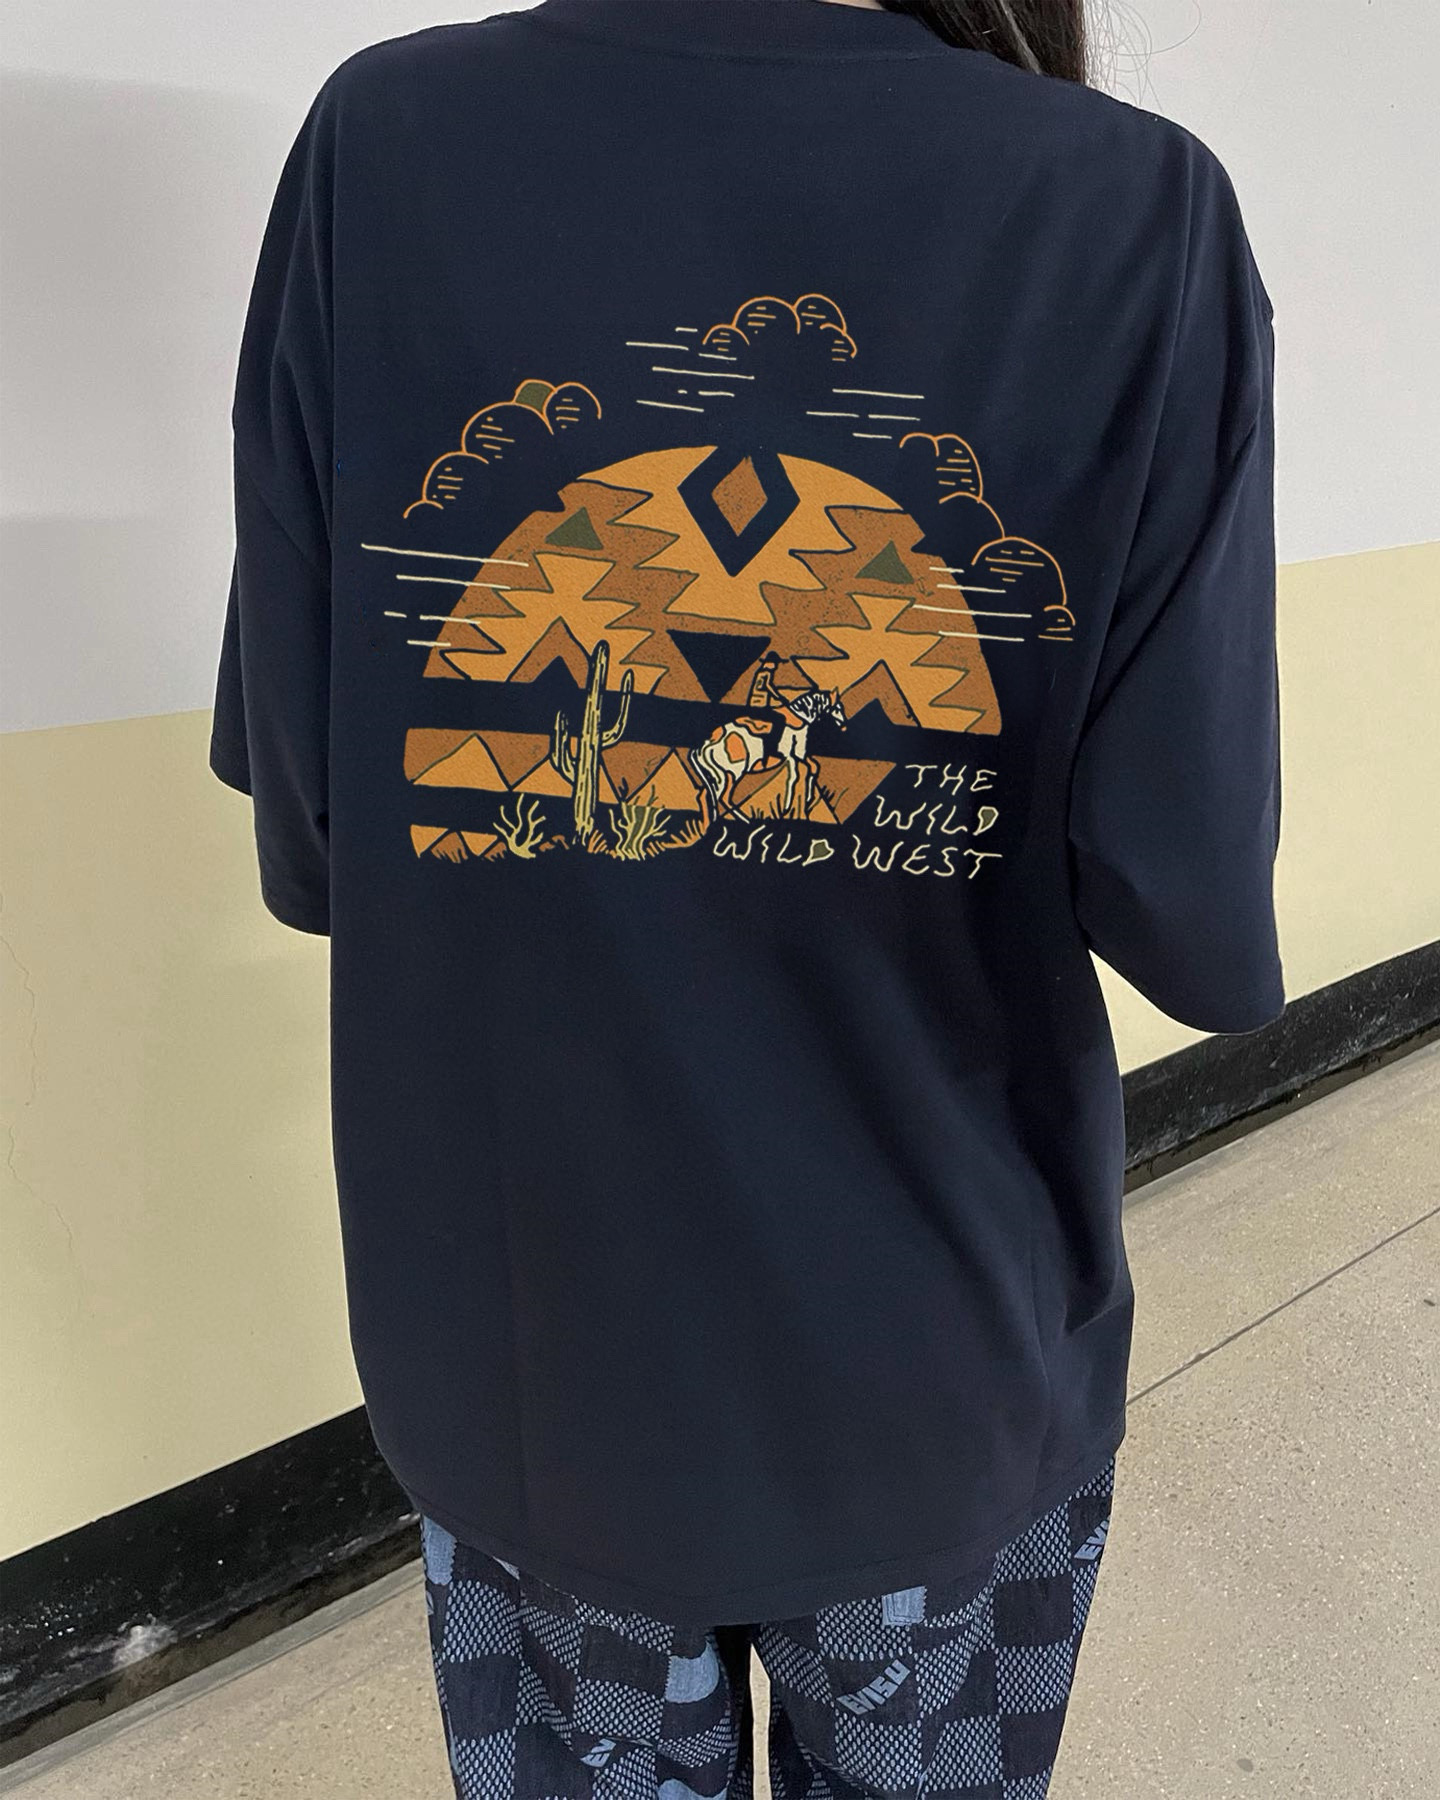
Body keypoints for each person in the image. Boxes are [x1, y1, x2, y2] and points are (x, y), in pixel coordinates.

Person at [208, 1, 1284, 1793]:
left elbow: (323, 829)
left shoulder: (379, 142)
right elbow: (1191, 915)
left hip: (521, 1356)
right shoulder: (1135, 211)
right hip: (933, 1357)